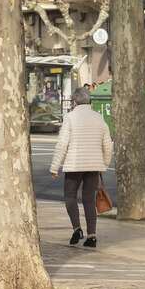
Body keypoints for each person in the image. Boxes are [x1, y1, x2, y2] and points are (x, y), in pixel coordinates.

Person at [50, 86, 113, 249]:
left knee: (70, 196)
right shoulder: (98, 117)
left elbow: (62, 143)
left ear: (75, 101)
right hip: (93, 165)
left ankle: (77, 229)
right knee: (89, 199)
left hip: (74, 164)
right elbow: (108, 144)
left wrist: (54, 166)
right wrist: (104, 164)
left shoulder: (70, 117)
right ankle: (92, 235)